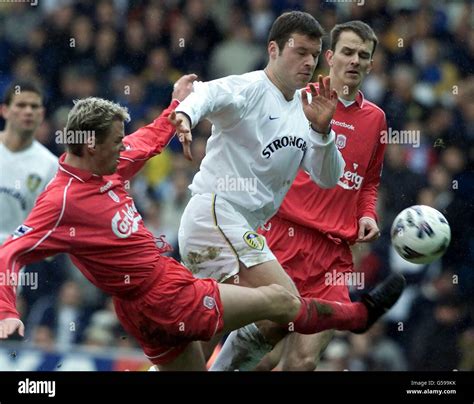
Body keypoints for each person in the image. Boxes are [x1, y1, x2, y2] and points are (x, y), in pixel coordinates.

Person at [0, 74, 404, 371]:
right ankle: (359, 317)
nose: (122, 146)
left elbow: (150, 137)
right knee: (282, 302)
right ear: (89, 146)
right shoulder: (60, 201)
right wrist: (6, 310)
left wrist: (179, 107)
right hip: (165, 295)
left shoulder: (109, 166)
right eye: (115, 141)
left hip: (139, 306)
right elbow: (9, 252)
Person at [173, 12, 403, 370]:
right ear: (274, 50)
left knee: (253, 323)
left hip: (257, 230)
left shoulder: (306, 108)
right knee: (280, 306)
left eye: (313, 54)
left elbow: (330, 176)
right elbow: (207, 94)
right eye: (301, 53)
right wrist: (185, 114)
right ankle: (357, 316)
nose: (308, 62)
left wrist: (323, 132)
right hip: (220, 216)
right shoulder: (251, 86)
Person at [255, 21, 390, 371]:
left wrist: (367, 215)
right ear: (329, 56)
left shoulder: (376, 119)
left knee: (303, 362)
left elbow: (369, 182)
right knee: (262, 351)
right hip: (285, 239)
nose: (355, 60)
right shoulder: (299, 99)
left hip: (334, 255)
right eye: (347, 52)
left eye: (364, 55)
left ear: (371, 64)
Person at [0, 81, 58, 245]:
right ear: (4, 111)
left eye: (34, 107)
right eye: (21, 105)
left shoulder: (50, 165)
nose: (28, 111)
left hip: (14, 260)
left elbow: (50, 221)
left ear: (42, 114)